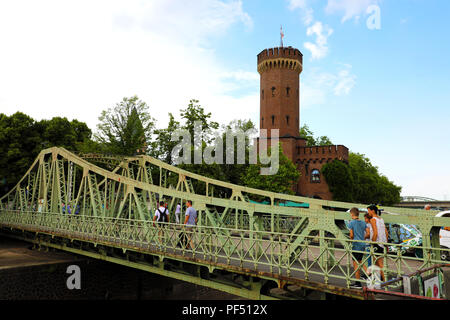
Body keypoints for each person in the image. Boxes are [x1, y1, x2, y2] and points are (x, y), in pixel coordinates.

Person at [367, 204, 389, 282]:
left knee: (378, 263)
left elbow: (375, 233)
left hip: (376, 243)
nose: (368, 212)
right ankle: (378, 279)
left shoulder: (373, 219)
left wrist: (372, 243)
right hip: (382, 243)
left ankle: (385, 280)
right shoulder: (381, 219)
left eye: (368, 211)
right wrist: (386, 244)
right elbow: (386, 232)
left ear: (372, 211)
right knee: (377, 262)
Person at [348, 208, 368, 288]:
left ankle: (358, 283)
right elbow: (368, 233)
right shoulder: (363, 222)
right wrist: (362, 239)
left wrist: (351, 240)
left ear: (352, 214)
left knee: (356, 263)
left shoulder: (351, 223)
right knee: (360, 261)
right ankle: (368, 274)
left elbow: (351, 235)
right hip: (362, 244)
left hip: (356, 245)